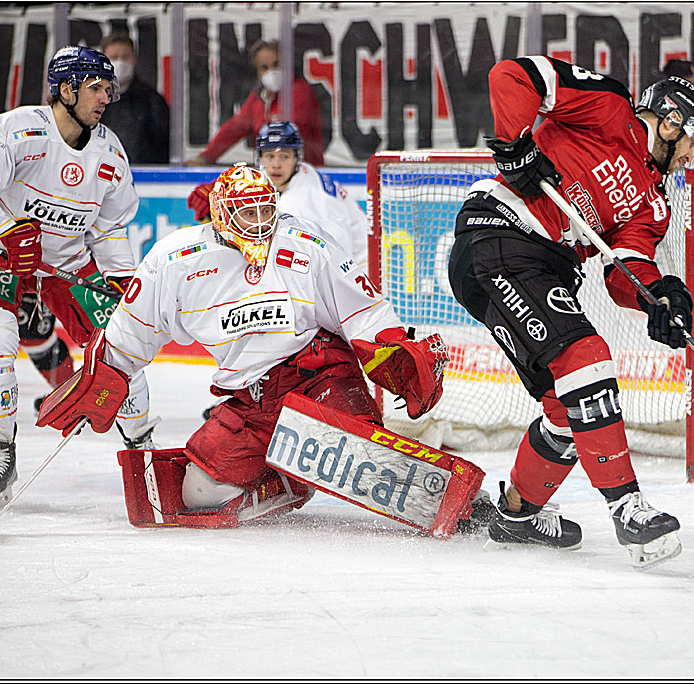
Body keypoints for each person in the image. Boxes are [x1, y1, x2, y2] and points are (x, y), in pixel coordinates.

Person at [37, 163, 449, 527]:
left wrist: (392, 346)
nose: (260, 222)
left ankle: (459, 502)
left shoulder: (305, 241)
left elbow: (362, 307)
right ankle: (288, 481)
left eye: (266, 209)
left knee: (366, 456)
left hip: (317, 375)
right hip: (252, 403)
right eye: (246, 212)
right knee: (198, 495)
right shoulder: (174, 260)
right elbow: (134, 329)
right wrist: (107, 372)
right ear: (221, 214)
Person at [447, 56, 694, 568]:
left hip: (544, 266)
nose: (690, 157)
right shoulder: (609, 106)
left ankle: (517, 515)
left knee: (567, 407)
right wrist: (516, 146)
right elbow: (510, 75)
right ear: (673, 120)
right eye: (692, 142)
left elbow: (624, 271)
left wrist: (660, 298)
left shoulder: (655, 204)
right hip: (499, 235)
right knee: (587, 359)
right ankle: (628, 509)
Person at [0, 46, 160, 508]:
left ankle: (143, 449)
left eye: (109, 88)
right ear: (66, 89)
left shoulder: (109, 153)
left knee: (121, 343)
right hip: (3, 259)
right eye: (96, 88)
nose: (106, 97)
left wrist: (122, 276)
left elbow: (107, 227)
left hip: (68, 262)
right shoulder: (16, 131)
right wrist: (4, 230)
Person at [188, 122, 368, 266]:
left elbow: (338, 252)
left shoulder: (308, 199)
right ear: (259, 159)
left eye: (284, 156)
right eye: (269, 156)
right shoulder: (302, 173)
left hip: (357, 273)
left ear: (296, 158)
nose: (276, 164)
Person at [185, 40, 324, 167]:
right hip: (271, 176)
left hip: (303, 177)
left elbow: (292, 132)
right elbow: (234, 128)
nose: (271, 71)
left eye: (276, 64)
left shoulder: (300, 92)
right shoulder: (258, 96)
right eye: (264, 67)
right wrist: (206, 158)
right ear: (257, 71)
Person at [99, 32, 170, 164]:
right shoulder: (92, 101)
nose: (120, 63)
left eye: (125, 57)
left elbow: (164, 146)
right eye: (114, 57)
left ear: (134, 58)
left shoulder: (152, 101)